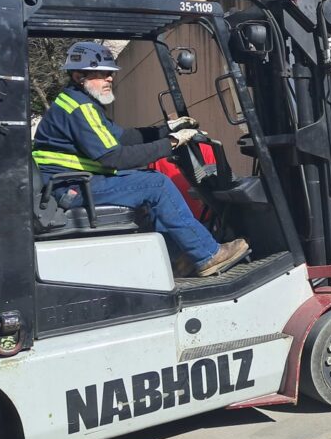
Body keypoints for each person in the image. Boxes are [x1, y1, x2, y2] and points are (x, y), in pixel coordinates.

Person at [32, 41, 249, 276]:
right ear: (78, 76)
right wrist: (171, 143)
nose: (110, 78)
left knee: (148, 178)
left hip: (72, 181)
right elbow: (114, 158)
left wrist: (167, 129)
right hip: (71, 187)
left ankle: (179, 257)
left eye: (110, 73)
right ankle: (208, 254)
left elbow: (123, 137)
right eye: (102, 74)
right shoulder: (80, 108)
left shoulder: (77, 102)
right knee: (157, 184)